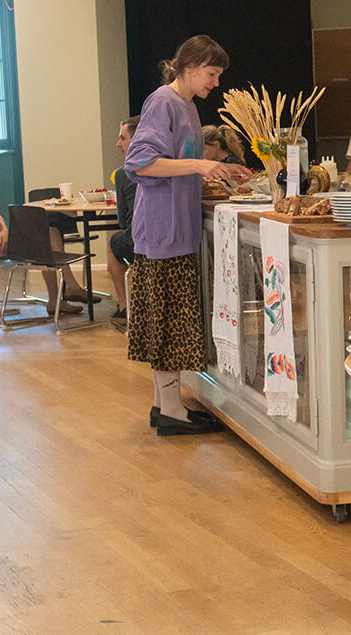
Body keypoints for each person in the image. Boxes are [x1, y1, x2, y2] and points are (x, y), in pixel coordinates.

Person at [125, 34, 251, 436]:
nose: (215, 82)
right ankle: (171, 411)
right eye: (211, 74)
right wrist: (198, 166)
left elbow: (183, 162)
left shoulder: (188, 107)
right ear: (189, 66)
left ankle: (167, 405)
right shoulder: (163, 101)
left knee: (172, 320)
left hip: (177, 228)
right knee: (167, 322)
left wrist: (218, 169)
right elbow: (141, 164)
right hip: (162, 231)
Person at [0, 136, 86, 315]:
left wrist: (5, 231)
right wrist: (2, 241)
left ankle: (61, 295)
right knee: (50, 237)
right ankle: (65, 292)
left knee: (51, 234)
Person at [106, 115, 140, 325]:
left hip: (138, 239)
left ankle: (124, 306)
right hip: (169, 238)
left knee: (113, 243)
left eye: (122, 138)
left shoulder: (123, 173)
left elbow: (122, 220)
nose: (118, 144)